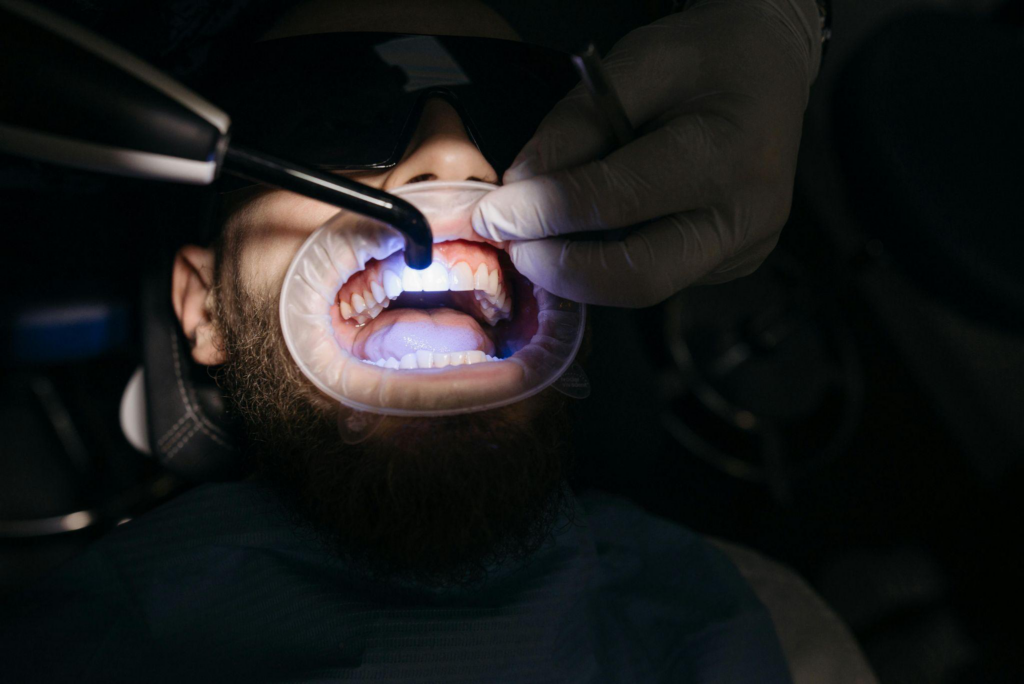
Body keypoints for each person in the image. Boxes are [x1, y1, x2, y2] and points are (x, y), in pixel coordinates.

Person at [1, 1, 875, 682]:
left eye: (513, 116)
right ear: (202, 307)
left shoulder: (775, 640)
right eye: (330, 105)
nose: (455, 156)